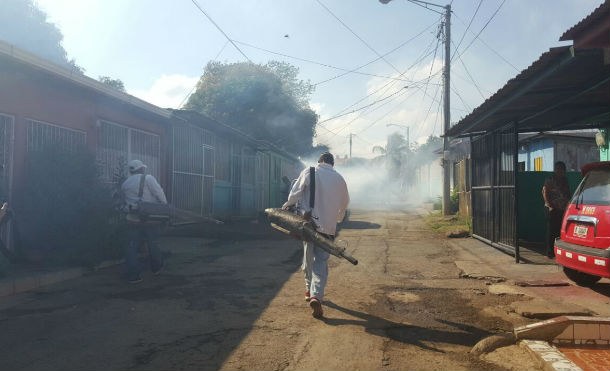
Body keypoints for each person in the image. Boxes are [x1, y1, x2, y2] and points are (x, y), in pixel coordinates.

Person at [282, 152, 350, 318]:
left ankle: (308, 289)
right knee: (321, 262)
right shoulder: (340, 179)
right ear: (332, 164)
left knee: (307, 259)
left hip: (308, 225)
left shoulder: (309, 171)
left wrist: (286, 206)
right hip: (328, 229)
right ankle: (316, 296)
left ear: (320, 161)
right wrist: (337, 219)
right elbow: (345, 203)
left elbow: (295, 193)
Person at [121, 159, 167, 283]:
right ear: (141, 169)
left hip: (132, 219)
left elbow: (125, 202)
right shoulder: (148, 178)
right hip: (149, 219)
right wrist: (165, 207)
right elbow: (159, 193)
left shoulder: (125, 183)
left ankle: (133, 276)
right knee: (153, 243)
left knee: (131, 247)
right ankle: (156, 268)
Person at [542, 161, 570, 258]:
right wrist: (549, 206)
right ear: (555, 170)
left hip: (562, 209)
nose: (559, 171)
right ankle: (550, 253)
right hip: (552, 209)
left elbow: (567, 193)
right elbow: (544, 191)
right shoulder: (550, 179)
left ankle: (558, 251)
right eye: (557, 169)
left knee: (559, 231)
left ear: (564, 171)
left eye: (561, 169)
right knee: (551, 231)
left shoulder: (565, 180)